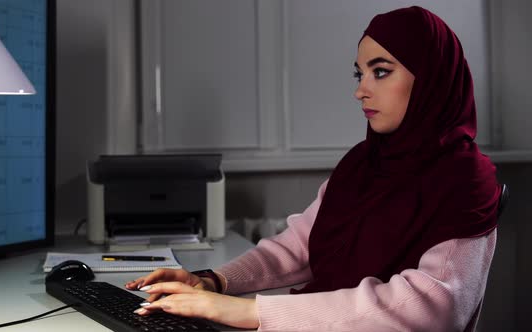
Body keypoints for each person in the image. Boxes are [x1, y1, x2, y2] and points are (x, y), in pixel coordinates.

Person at [125, 6, 501, 331]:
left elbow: (432, 307)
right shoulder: (362, 163)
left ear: (431, 78)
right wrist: (213, 281)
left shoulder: (466, 180)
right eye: (359, 74)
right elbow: (297, 247)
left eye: (381, 72)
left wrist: (250, 311)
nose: (361, 90)